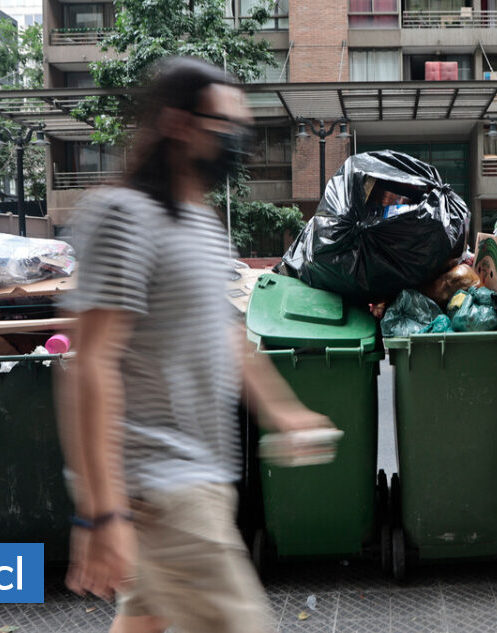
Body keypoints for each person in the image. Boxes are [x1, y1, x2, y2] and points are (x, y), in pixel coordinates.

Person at [56, 56, 332, 633]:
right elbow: (92, 364)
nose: (237, 141)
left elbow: (226, 336)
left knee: (146, 619)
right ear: (178, 124)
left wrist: (285, 413)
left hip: (199, 477)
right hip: (158, 488)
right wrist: (102, 513)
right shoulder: (125, 216)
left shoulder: (200, 223)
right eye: (224, 125)